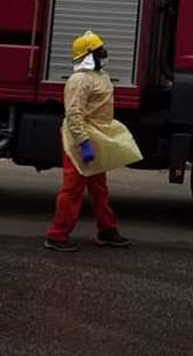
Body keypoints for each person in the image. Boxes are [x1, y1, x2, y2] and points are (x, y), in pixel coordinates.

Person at [44, 30, 130, 251]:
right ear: (89, 55)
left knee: (99, 188)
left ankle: (107, 230)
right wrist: (83, 142)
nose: (104, 53)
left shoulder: (98, 77)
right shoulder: (80, 80)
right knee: (72, 189)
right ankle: (56, 235)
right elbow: (74, 114)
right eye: (99, 50)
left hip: (94, 139)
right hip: (80, 140)